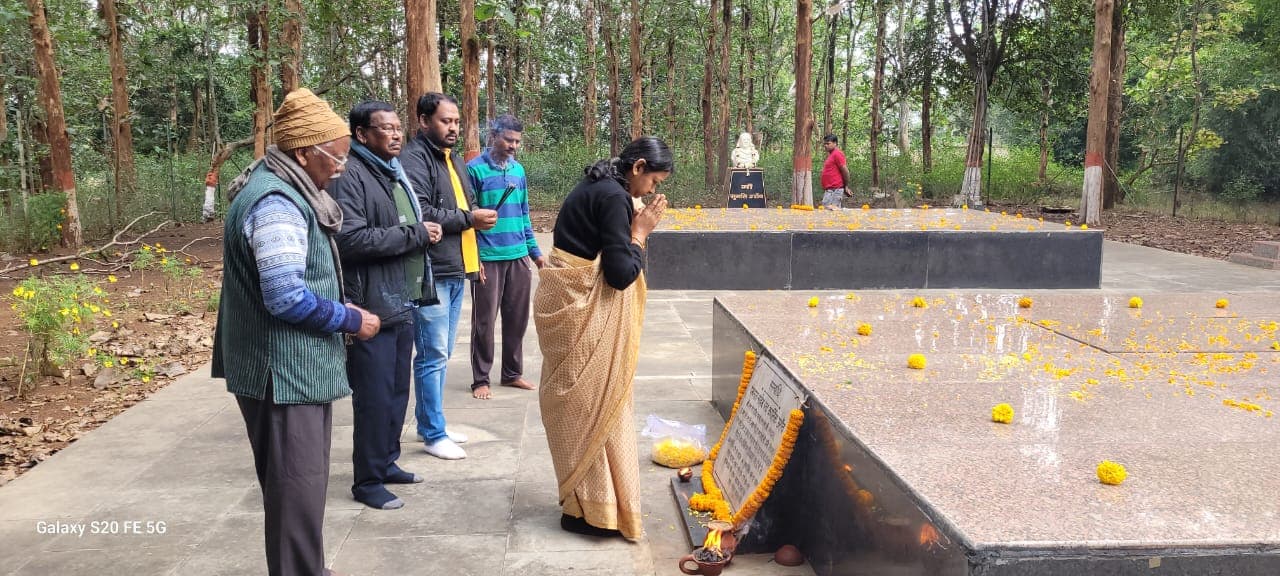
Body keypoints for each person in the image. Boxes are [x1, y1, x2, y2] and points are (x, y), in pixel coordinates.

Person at [212, 88, 379, 576]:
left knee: (295, 489)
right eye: (339, 155)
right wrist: (351, 318)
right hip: (282, 373)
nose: (343, 166)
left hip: (285, 367)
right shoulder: (278, 203)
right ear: (305, 152)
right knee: (296, 490)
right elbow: (285, 296)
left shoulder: (282, 185)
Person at [534, 136, 672, 540]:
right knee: (598, 406)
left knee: (583, 409)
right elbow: (620, 274)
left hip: (564, 304)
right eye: (654, 181)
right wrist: (641, 232)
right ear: (638, 167)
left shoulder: (595, 182)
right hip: (582, 315)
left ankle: (586, 506)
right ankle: (593, 511)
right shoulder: (614, 198)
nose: (653, 190)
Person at [331, 100, 444, 510]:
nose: (397, 134)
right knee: (375, 396)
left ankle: (387, 461)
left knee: (397, 391)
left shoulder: (391, 173)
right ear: (362, 135)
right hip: (371, 304)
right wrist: (415, 234)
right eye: (386, 129)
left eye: (399, 128)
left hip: (401, 298)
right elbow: (350, 240)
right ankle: (368, 481)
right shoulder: (351, 176)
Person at [400, 92, 499, 460]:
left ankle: (432, 422)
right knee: (432, 353)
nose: (453, 127)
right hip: (431, 271)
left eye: (456, 121)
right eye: (446, 121)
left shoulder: (451, 158)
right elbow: (420, 211)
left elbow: (465, 206)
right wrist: (469, 220)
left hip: (456, 267)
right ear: (424, 121)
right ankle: (432, 432)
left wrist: (473, 255)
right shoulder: (414, 159)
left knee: (439, 353)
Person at [466, 114, 545, 400]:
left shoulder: (518, 171)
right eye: (508, 139)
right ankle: (480, 379)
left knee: (518, 318)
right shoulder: (473, 170)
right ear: (493, 136)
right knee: (484, 321)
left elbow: (524, 214)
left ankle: (512, 373)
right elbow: (468, 220)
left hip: (518, 256)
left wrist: (535, 253)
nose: (513, 146)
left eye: (517, 141)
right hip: (488, 257)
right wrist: (474, 262)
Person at [820, 134, 853, 209]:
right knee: (827, 211)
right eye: (824, 144)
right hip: (830, 190)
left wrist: (846, 186)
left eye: (828, 143)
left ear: (835, 143)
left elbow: (845, 171)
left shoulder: (837, 154)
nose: (825, 145)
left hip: (835, 190)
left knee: (832, 213)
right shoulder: (831, 155)